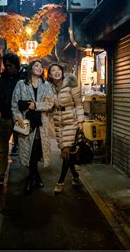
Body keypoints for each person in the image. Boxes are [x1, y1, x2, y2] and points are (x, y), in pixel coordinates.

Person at [12, 59, 54, 195]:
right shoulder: (21, 84)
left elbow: (50, 104)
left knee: (35, 151)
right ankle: (35, 176)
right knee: (29, 152)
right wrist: (18, 117)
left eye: (41, 66)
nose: (39, 68)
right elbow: (15, 103)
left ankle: (31, 178)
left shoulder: (47, 85)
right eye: (36, 65)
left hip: (41, 124)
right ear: (31, 68)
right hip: (26, 123)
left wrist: (35, 105)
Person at [0, 52, 23, 187]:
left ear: (16, 65)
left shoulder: (23, 78)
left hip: (21, 119)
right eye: (6, 66)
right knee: (2, 149)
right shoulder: (4, 78)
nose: (8, 68)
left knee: (26, 149)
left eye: (11, 65)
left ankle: (31, 177)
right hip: (6, 118)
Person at [48, 64, 84, 194]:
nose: (56, 72)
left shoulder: (71, 85)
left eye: (59, 70)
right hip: (58, 122)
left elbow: (79, 104)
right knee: (67, 152)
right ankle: (75, 176)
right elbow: (49, 105)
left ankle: (60, 182)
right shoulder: (50, 88)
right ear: (50, 75)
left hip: (71, 121)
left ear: (62, 72)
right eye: (53, 70)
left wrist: (80, 121)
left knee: (66, 151)